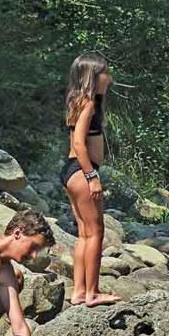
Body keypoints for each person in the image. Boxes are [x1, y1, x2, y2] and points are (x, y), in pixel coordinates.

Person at [60, 53, 120, 308]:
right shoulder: (88, 105)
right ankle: (92, 293)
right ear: (94, 77)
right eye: (105, 73)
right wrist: (92, 176)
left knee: (84, 234)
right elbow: (78, 143)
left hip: (71, 171)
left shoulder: (79, 101)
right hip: (82, 171)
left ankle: (79, 292)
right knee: (96, 233)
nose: (110, 77)